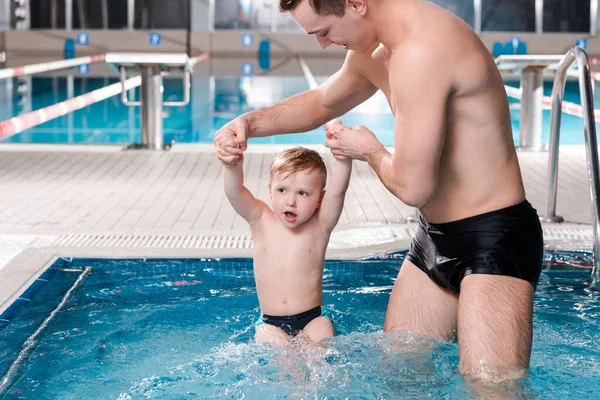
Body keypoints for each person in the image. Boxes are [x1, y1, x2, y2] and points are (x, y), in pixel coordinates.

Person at [213, 0, 543, 381]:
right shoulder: (377, 48)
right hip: (433, 238)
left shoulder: (424, 49)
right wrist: (246, 123)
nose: (322, 44)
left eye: (323, 31)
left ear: (356, 3)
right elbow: (321, 102)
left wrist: (367, 149)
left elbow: (414, 187)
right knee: (400, 376)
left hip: (493, 237)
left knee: (491, 387)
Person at [221, 145, 352, 343]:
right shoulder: (260, 219)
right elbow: (235, 192)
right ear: (270, 191)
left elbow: (337, 192)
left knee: (321, 341)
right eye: (282, 190)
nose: (291, 201)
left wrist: (344, 157)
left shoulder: (320, 225)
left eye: (303, 193)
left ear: (320, 199)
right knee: (283, 362)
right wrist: (232, 165)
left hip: (313, 318)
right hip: (271, 323)